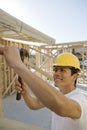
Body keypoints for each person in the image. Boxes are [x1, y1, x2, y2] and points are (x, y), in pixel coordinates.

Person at [0, 46, 87, 130]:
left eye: (62, 70)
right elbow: (34, 104)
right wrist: (25, 92)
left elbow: (61, 107)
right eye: (55, 70)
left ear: (74, 77)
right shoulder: (57, 92)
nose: (57, 73)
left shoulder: (81, 100)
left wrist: (19, 66)